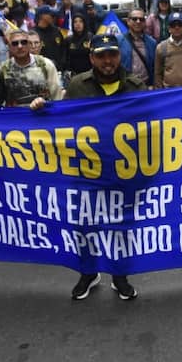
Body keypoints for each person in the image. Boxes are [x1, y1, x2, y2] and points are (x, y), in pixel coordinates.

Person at [65, 34, 146, 300]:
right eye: (101, 55)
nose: (107, 61)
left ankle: (119, 276)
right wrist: (40, 108)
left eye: (111, 54)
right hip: (87, 172)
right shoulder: (77, 86)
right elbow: (60, 123)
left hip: (124, 172)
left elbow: (151, 129)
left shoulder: (136, 87)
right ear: (92, 58)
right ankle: (88, 273)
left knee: (121, 227)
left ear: (119, 56)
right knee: (86, 225)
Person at [0, 29, 62, 107]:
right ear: (9, 47)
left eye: (24, 42)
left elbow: (57, 97)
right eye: (15, 43)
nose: (20, 46)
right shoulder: (1, 71)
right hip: (16, 117)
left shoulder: (46, 65)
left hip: (43, 115)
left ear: (29, 45)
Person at [118, 8, 157, 88]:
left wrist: (153, 84)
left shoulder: (152, 43)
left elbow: (155, 67)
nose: (138, 22)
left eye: (141, 19)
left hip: (146, 86)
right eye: (134, 19)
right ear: (128, 21)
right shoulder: (118, 41)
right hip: (125, 87)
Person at [34, 6, 66, 70]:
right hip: (41, 71)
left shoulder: (57, 31)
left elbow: (63, 50)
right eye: (51, 15)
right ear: (42, 16)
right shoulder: (34, 34)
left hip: (58, 71)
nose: (54, 18)